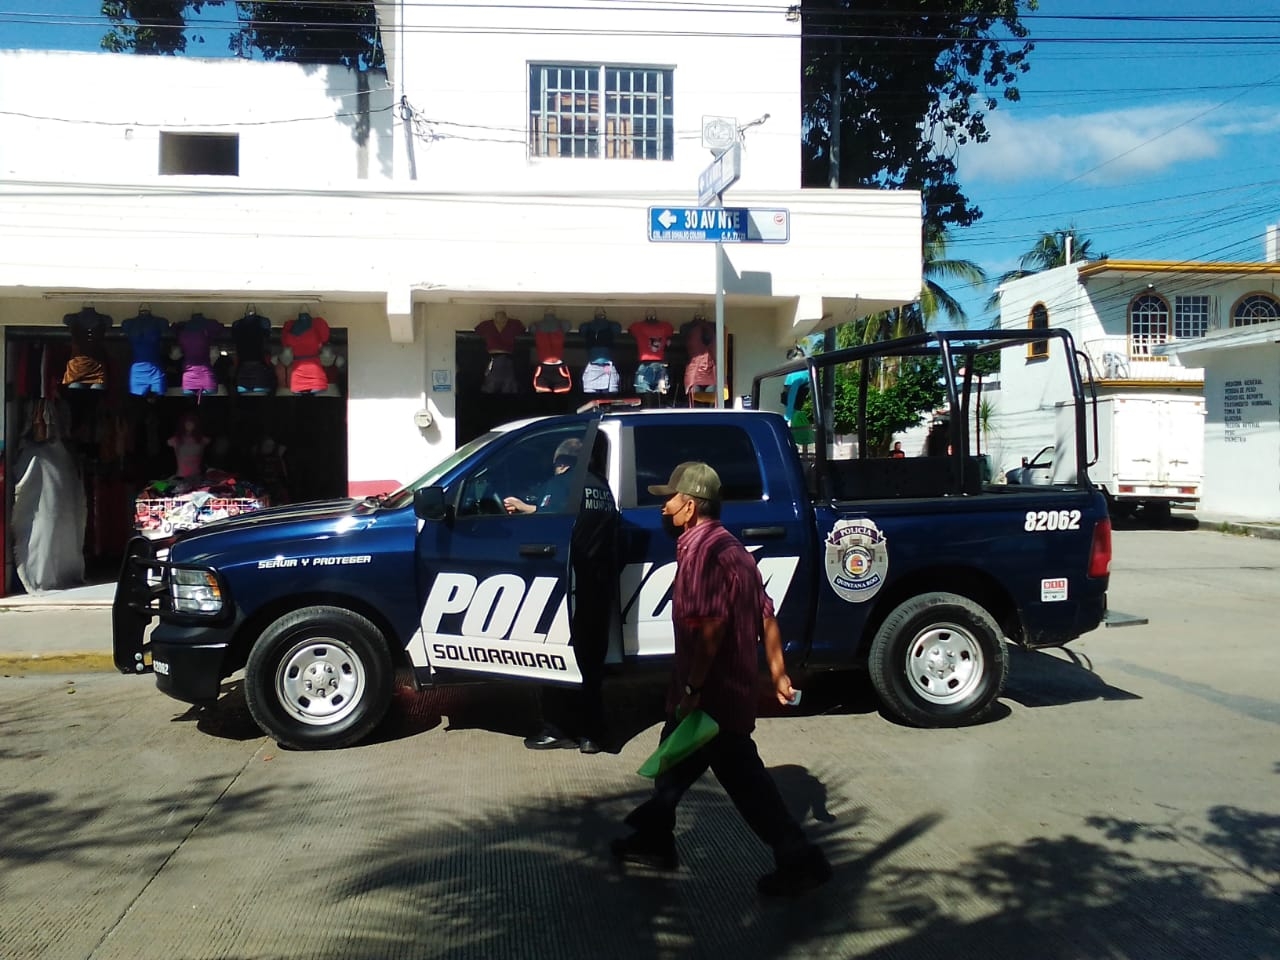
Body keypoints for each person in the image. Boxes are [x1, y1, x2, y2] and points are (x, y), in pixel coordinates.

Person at [611, 461, 830, 896]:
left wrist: (693, 689)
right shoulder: (734, 549)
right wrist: (779, 673)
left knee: (744, 782)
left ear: (690, 506)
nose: (664, 509)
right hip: (723, 690)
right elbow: (767, 616)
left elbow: (709, 628)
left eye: (669, 501)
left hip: (712, 696)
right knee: (672, 763)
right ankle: (655, 837)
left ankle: (799, 858)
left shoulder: (701, 554)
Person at [506, 437, 618, 754]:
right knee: (591, 666)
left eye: (558, 464)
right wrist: (531, 506)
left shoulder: (563, 483)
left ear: (564, 462)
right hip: (598, 588)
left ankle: (557, 729)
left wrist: (521, 512)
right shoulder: (601, 487)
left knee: (555, 660)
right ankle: (592, 736)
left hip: (567, 588)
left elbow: (547, 527)